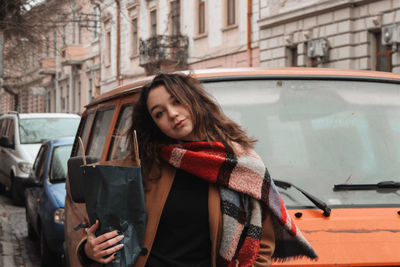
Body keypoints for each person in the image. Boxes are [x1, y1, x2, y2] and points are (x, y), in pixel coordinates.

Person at [76, 73, 317, 267]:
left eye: (176, 101)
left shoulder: (241, 165)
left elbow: (262, 245)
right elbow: (110, 232)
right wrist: (89, 251)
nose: (172, 114)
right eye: (159, 113)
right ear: (154, 123)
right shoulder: (142, 165)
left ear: (193, 100)